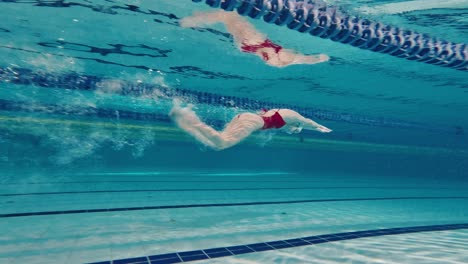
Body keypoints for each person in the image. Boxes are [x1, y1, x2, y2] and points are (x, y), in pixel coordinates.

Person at [180, 10, 330, 67]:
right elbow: (305, 60)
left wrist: (320, 58)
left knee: (227, 15)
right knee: (228, 18)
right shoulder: (283, 59)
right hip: (246, 47)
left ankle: (192, 20)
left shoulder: (284, 57)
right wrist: (318, 58)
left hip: (252, 42)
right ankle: (194, 19)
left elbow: (303, 59)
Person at [169, 100, 332, 151]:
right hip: (251, 121)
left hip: (246, 118)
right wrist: (320, 127)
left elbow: (294, 129)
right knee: (222, 143)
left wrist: (297, 130)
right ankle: (188, 116)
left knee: (219, 145)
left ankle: (183, 119)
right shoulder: (291, 115)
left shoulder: (284, 121)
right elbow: (306, 122)